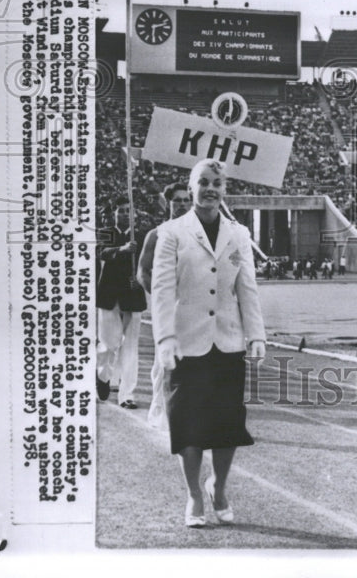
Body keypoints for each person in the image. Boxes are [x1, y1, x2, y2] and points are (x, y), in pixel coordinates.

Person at [151, 158, 267, 528]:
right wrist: (165, 338)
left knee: (227, 425)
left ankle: (219, 487)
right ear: (191, 186)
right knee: (187, 425)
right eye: (204, 182)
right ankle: (194, 494)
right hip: (186, 344)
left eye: (218, 183)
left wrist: (257, 334)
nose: (211, 189)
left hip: (228, 343)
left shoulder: (239, 234)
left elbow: (246, 288)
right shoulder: (172, 232)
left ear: (225, 189)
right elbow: (162, 289)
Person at [136, 181, 191, 429]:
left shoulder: (199, 234)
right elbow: (143, 272)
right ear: (166, 203)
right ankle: (160, 415)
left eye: (185, 199)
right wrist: (160, 297)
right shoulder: (156, 234)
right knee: (164, 364)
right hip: (167, 308)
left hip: (194, 308)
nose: (181, 204)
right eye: (176, 200)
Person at [96, 200, 147, 408]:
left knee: (130, 347)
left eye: (128, 211)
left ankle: (127, 395)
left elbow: (148, 262)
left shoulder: (141, 236)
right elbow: (101, 252)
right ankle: (103, 375)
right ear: (114, 214)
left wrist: (140, 278)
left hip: (133, 295)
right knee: (109, 343)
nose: (125, 214)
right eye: (121, 211)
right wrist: (122, 249)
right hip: (109, 295)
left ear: (134, 215)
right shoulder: (106, 232)